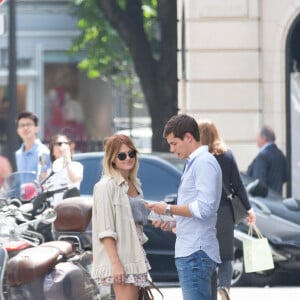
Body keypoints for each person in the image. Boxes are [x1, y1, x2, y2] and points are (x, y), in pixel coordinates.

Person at [146, 114, 222, 300]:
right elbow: (198, 210)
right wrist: (174, 221)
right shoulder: (196, 163)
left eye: (174, 143)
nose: (172, 149)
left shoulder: (203, 162)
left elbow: (204, 208)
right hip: (194, 251)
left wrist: (169, 209)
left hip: (196, 252)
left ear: (188, 137)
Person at [198, 120, 256, 300]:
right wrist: (249, 209)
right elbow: (238, 185)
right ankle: (224, 286)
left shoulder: (197, 158)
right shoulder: (227, 155)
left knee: (208, 256)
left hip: (204, 213)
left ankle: (211, 294)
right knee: (226, 256)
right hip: (224, 213)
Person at [92, 134, 151, 300]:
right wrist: (116, 264)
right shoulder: (106, 186)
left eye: (131, 154)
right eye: (122, 155)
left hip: (136, 254)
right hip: (121, 259)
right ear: (112, 159)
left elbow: (137, 220)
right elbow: (105, 230)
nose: (128, 158)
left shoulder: (134, 183)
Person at [246, 125, 288, 195]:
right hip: (278, 198)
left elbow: (258, 181)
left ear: (264, 138)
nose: (256, 140)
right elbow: (285, 176)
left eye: (258, 137)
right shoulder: (280, 154)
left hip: (265, 201)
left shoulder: (263, 155)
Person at [46, 134, 83, 206]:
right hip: (53, 212)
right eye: (59, 144)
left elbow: (75, 179)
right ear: (52, 150)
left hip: (69, 210)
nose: (63, 146)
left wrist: (67, 159)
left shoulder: (76, 166)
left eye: (66, 143)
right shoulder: (50, 172)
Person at [15, 111, 51, 181]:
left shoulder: (43, 153)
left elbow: (44, 178)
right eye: (22, 125)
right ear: (18, 131)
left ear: (36, 128)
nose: (25, 128)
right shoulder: (18, 154)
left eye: (29, 124)